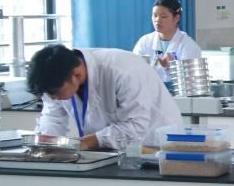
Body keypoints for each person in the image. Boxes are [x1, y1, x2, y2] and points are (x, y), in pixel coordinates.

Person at [28, 44, 182, 151]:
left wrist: (88, 142)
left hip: (155, 145)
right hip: (112, 151)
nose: (53, 98)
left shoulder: (122, 70)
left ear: (77, 75)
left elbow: (136, 126)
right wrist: (46, 143)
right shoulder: (56, 78)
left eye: (55, 93)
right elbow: (53, 118)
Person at [132, 0, 201, 86]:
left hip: (177, 94)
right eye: (155, 15)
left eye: (163, 16)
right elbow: (134, 70)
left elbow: (191, 82)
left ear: (176, 18)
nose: (157, 20)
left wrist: (172, 68)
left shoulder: (189, 46)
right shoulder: (145, 42)